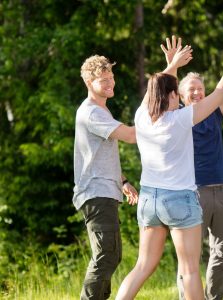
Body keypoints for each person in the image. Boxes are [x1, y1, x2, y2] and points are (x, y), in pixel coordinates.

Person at [115, 36, 223, 300]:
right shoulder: (180, 119)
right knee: (189, 270)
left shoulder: (141, 116)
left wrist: (172, 65)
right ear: (174, 95)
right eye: (176, 92)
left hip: (148, 199)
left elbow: (156, 89)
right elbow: (221, 93)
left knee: (143, 266)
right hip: (178, 199)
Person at [176, 38, 223, 300]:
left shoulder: (214, 112)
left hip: (221, 190)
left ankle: (213, 297)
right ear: (181, 97)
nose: (197, 93)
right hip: (193, 193)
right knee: (190, 256)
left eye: (200, 89)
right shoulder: (179, 117)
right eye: (191, 90)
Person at [73, 55, 139, 300]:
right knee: (105, 255)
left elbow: (98, 155)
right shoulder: (92, 112)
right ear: (89, 82)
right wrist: (161, 121)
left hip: (105, 191)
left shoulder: (102, 109)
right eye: (104, 79)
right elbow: (131, 136)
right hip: (95, 194)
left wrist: (122, 182)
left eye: (111, 77)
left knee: (112, 255)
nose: (111, 82)